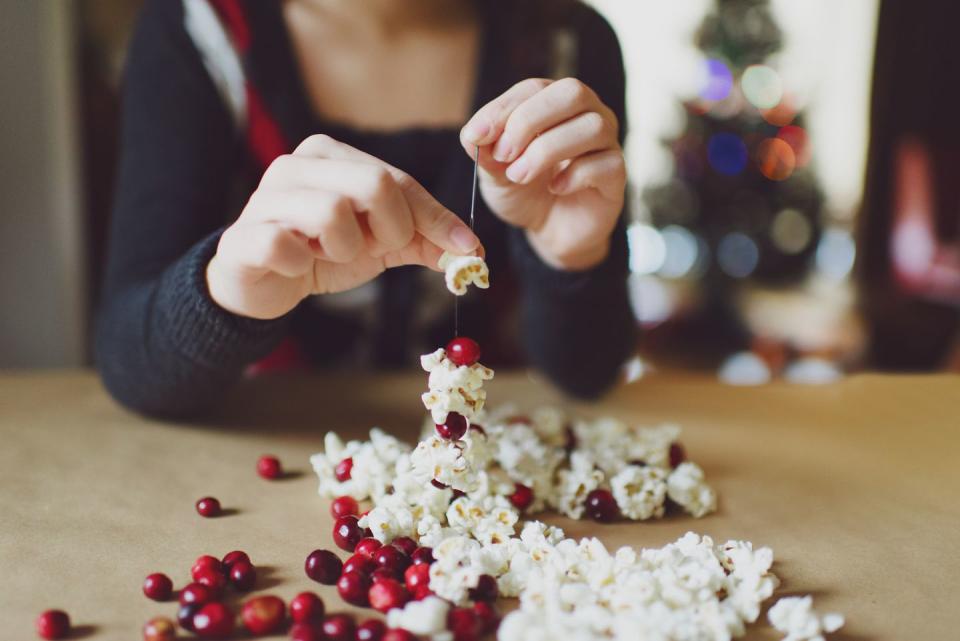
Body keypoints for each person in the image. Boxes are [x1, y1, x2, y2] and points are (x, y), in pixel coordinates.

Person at [95, 0, 637, 418]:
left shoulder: (566, 42)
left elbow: (588, 374)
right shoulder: (201, 31)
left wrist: (571, 256)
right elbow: (129, 359)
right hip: (268, 459)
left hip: (502, 469)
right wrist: (226, 291)